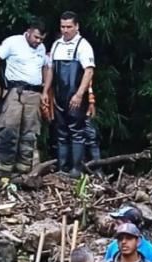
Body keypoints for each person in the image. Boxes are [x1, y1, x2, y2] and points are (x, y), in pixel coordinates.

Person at [0, 22, 48, 174]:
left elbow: (45, 67)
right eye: (36, 37)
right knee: (8, 131)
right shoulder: (13, 42)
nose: (38, 41)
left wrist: (45, 91)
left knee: (29, 134)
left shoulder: (41, 48)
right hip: (15, 92)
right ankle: (4, 173)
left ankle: (23, 173)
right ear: (28, 32)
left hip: (34, 94)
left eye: (41, 38)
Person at [42, 11, 95, 178]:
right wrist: (46, 91)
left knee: (77, 131)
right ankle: (62, 168)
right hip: (59, 95)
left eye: (69, 27)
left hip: (75, 94)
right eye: (63, 27)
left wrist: (79, 94)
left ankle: (76, 169)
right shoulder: (57, 44)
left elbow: (89, 71)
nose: (65, 30)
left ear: (77, 26)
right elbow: (50, 69)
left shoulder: (83, 45)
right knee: (61, 131)